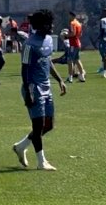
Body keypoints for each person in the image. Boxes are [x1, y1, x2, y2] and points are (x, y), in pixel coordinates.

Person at [12, 9, 67, 171]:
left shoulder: (49, 40)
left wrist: (60, 80)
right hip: (33, 87)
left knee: (48, 125)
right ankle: (41, 162)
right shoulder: (29, 44)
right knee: (38, 126)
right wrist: (28, 92)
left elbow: (47, 61)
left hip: (46, 87)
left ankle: (21, 146)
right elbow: (25, 69)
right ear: (41, 25)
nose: (52, 26)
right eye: (49, 24)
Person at [66, 11, 86, 83]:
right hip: (78, 43)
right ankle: (82, 76)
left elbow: (73, 33)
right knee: (77, 59)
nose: (68, 17)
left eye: (69, 16)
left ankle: (70, 77)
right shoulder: (78, 23)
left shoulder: (72, 23)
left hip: (73, 44)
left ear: (72, 16)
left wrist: (66, 35)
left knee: (70, 60)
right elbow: (80, 34)